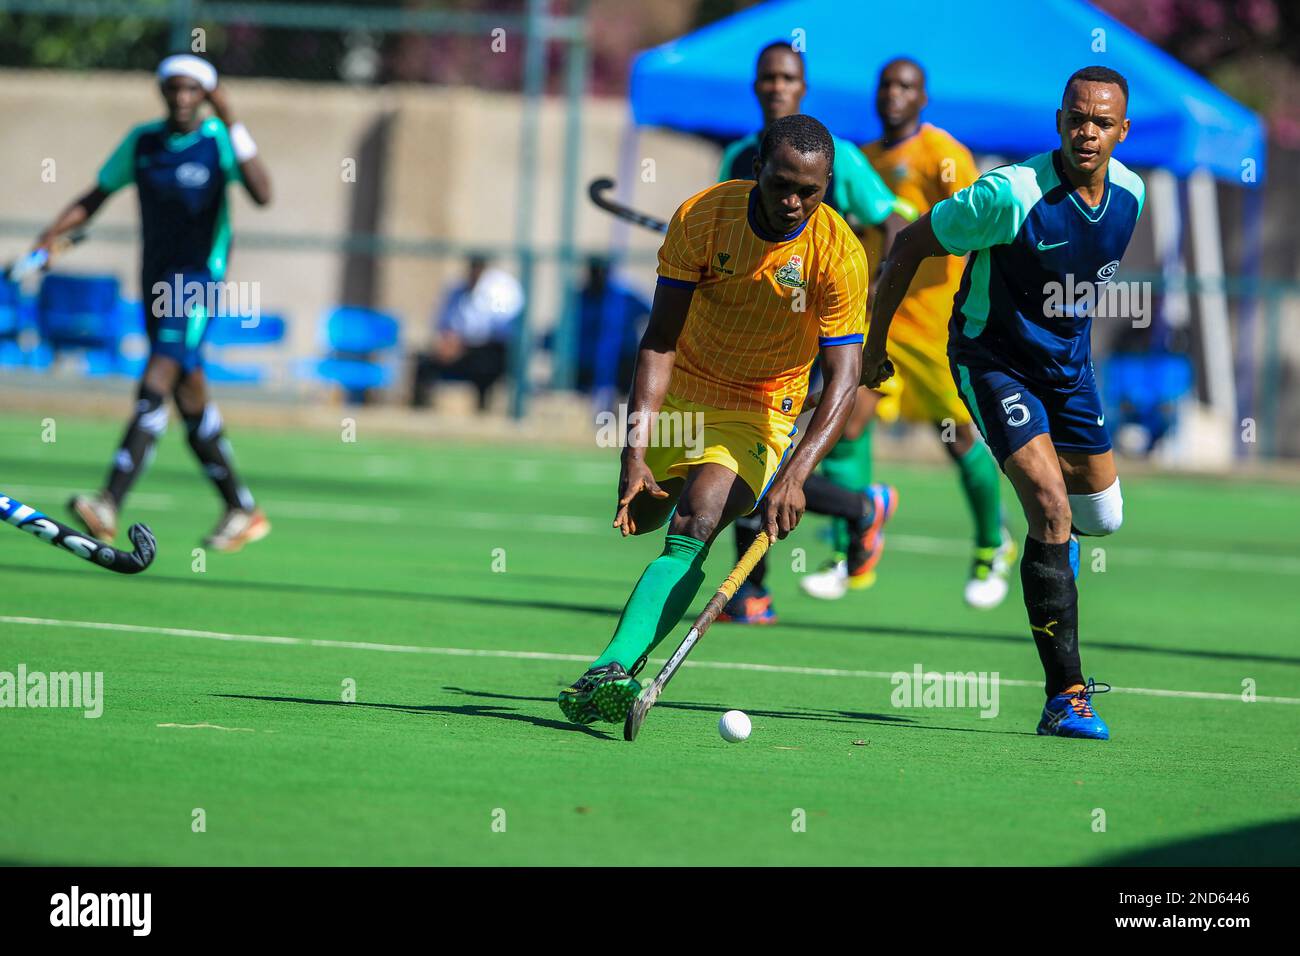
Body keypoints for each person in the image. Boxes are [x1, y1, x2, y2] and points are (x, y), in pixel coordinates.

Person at [558, 115, 868, 726]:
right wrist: (634, 450)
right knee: (645, 518)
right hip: (687, 388)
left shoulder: (840, 255)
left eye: (810, 191)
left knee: (697, 518)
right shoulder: (701, 217)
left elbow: (844, 379)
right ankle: (627, 644)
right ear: (755, 170)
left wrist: (796, 473)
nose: (792, 202)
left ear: (829, 184)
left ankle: (612, 667)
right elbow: (660, 338)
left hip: (762, 405)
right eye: (780, 184)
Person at [863, 66, 1143, 739]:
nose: (1087, 131)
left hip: (1070, 372)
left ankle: (1055, 558)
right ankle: (1065, 695)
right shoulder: (1010, 193)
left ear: (1121, 131)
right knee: (1048, 506)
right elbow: (910, 241)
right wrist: (874, 347)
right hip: (992, 362)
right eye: (1076, 117)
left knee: (1099, 517)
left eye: (1102, 122)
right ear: (1059, 120)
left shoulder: (1132, 194)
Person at [802, 57, 1013, 607]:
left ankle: (993, 544)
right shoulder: (862, 159)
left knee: (958, 437)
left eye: (906, 87)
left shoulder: (942, 156)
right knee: (846, 423)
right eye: (886, 85)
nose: (893, 94)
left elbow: (974, 225)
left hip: (934, 327)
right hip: (878, 324)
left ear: (923, 99)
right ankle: (853, 548)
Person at [40, 54, 273, 553]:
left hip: (197, 283)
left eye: (193, 90)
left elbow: (262, 192)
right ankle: (242, 508)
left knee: (155, 381)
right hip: (154, 282)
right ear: (163, 92)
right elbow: (97, 194)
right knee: (190, 398)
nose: (183, 98)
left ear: (206, 94)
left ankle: (108, 502)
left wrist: (232, 120)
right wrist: (50, 237)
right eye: (174, 89)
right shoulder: (144, 142)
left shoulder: (217, 141)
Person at [716, 40, 911, 624]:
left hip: (813, 335)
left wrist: (874, 288)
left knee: (757, 455)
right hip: (750, 332)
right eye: (768, 77)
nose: (777, 86)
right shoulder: (738, 156)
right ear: (756, 86)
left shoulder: (838, 157)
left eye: (789, 78)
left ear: (803, 87)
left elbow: (896, 222)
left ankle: (855, 509)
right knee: (740, 449)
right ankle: (753, 591)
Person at [411, 255, 521, 412]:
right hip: (456, 348)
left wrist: (463, 342)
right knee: (424, 363)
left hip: (488, 350)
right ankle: (419, 412)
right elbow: (443, 323)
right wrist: (448, 340)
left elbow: (500, 329)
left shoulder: (500, 292)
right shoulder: (456, 291)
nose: (474, 274)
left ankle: (482, 412)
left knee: (485, 364)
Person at [573, 256, 649, 402]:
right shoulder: (580, 298)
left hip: (621, 360)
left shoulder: (623, 297)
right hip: (585, 363)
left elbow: (650, 312)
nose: (599, 277)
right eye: (596, 272)